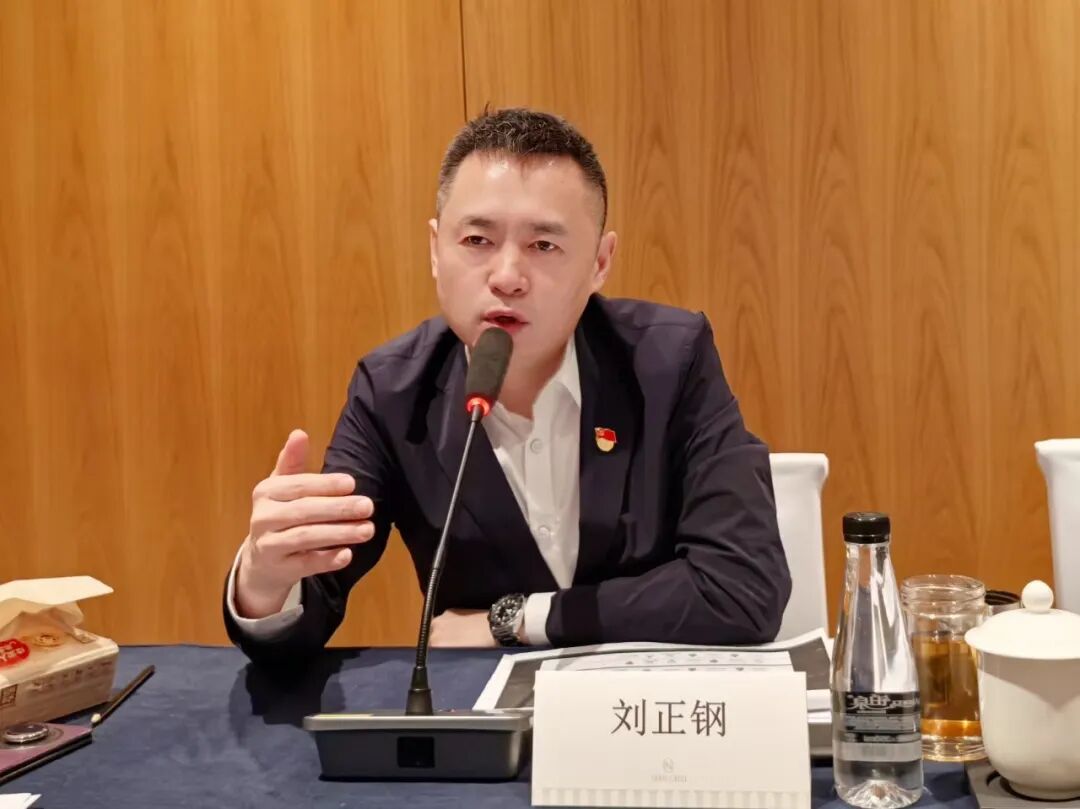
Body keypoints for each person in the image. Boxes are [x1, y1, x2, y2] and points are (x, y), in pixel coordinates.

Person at [223, 107, 791, 664]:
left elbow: (742, 587)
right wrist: (264, 578)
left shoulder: (669, 360)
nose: (507, 277)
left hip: (648, 707)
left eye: (544, 246)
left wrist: (518, 620)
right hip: (485, 718)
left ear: (599, 262)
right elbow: (313, 598)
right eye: (477, 240)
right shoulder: (392, 392)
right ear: (435, 250)